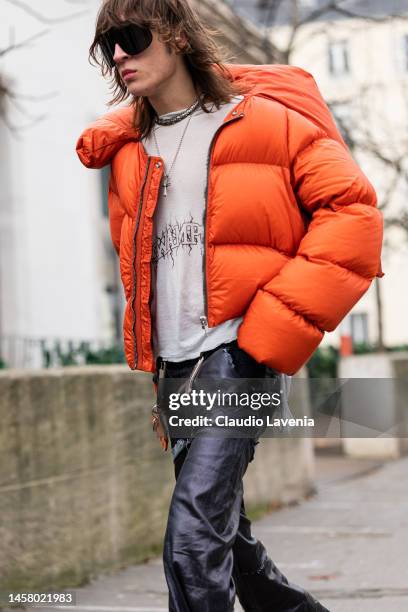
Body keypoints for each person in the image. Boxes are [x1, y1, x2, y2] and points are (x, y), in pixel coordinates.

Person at [76, 1, 383, 610]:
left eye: (132, 38)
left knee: (192, 542)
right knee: (227, 542)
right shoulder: (129, 150)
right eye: (108, 44)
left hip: (237, 357)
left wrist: (268, 328)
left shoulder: (268, 122)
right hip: (174, 367)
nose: (118, 56)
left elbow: (353, 214)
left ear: (177, 35)